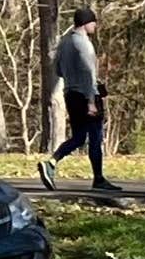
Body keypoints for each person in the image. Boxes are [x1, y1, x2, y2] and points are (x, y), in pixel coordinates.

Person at [46, 10, 109, 191]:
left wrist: (72, 77)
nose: (95, 25)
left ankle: (52, 161)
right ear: (85, 23)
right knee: (96, 138)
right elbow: (89, 73)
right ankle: (98, 179)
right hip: (86, 96)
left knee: (79, 137)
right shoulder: (84, 44)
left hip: (70, 94)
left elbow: (57, 69)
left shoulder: (65, 42)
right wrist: (91, 101)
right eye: (93, 22)